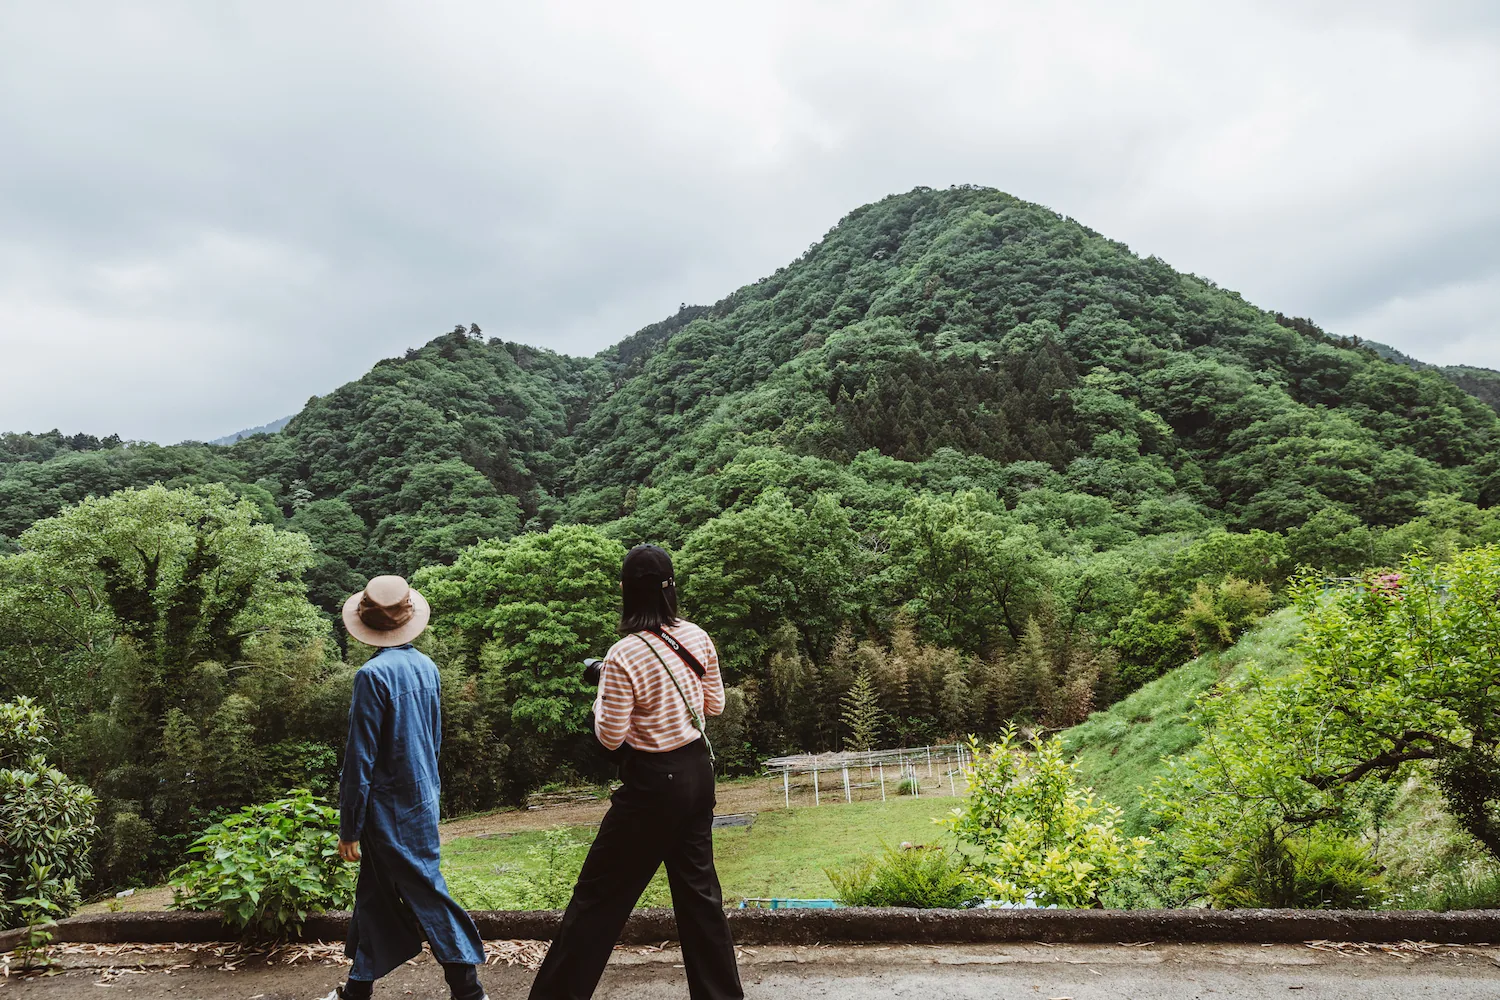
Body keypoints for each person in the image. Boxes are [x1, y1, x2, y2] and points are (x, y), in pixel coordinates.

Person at [529, 545, 743, 1000]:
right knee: (701, 900)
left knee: (597, 900)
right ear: (671, 588)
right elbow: (715, 706)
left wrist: (602, 690)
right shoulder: (698, 637)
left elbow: (609, 737)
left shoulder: (624, 654)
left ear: (626, 591)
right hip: (696, 775)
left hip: (651, 786)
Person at [321, 575, 489, 1000]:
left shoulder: (371, 676)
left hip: (385, 811)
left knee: (427, 894)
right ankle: (356, 991)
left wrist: (350, 826)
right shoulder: (426, 667)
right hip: (421, 800)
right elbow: (432, 741)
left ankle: (470, 992)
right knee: (376, 897)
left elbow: (359, 760)